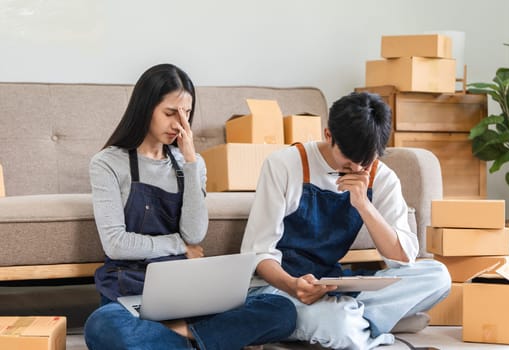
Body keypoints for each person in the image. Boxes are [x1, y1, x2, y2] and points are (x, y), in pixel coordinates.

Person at [83, 63, 296, 350]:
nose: (180, 125)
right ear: (145, 108)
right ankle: (208, 338)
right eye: (170, 113)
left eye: (186, 114)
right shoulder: (108, 163)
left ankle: (186, 337)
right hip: (131, 290)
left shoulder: (191, 163)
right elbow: (116, 245)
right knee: (103, 327)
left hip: (185, 290)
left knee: (282, 309)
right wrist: (178, 246)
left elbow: (194, 235)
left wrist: (192, 161)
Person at [241, 91, 451, 349]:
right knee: (340, 325)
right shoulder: (284, 165)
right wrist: (294, 286)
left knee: (438, 276)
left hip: (332, 284)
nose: (358, 171)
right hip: (281, 289)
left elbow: (403, 258)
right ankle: (370, 321)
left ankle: (348, 317)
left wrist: (364, 205)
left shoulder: (381, 176)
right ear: (328, 135)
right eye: (349, 164)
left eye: (366, 163)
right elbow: (258, 253)